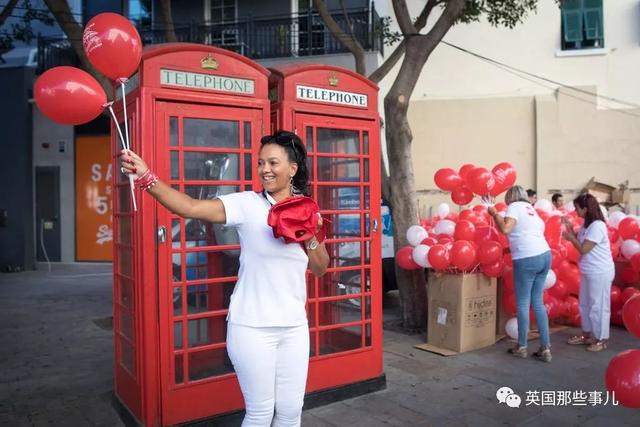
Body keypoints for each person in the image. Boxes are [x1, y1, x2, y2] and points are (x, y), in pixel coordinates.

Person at [120, 130, 329, 427]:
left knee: (291, 411)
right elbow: (189, 207)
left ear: (292, 169)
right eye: (260, 163)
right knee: (260, 413)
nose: (264, 170)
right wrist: (146, 177)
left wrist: (307, 235)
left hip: (294, 327)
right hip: (252, 326)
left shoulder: (308, 208)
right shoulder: (247, 203)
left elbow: (321, 268)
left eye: (272, 163)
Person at [487, 185, 552, 362]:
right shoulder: (531, 209)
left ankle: (522, 346)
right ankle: (545, 348)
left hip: (526, 258)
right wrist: (509, 249)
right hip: (545, 255)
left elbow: (506, 229)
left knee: (523, 303)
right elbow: (528, 234)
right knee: (537, 303)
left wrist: (494, 213)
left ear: (510, 197)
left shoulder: (514, 207)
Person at [562, 193, 614, 352]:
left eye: (577, 208)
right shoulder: (587, 224)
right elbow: (582, 238)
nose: (576, 211)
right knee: (585, 303)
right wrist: (571, 229)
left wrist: (570, 238)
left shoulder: (598, 225)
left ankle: (601, 338)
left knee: (598, 305)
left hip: (600, 271)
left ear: (586, 209)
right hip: (589, 270)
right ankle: (587, 334)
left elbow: (584, 248)